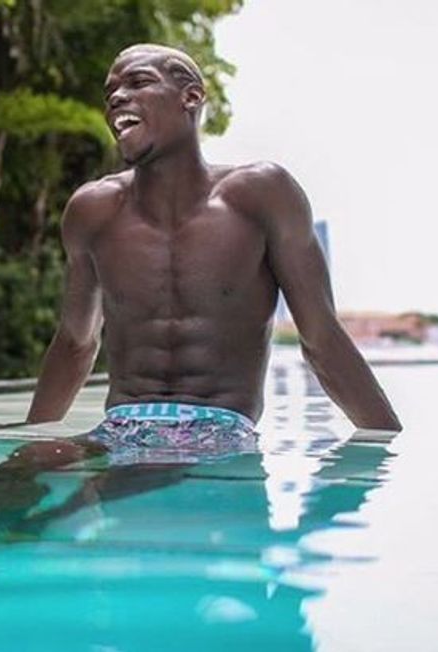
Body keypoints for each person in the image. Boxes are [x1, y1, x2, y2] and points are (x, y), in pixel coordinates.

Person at [20, 43, 400, 466]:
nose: (116, 97)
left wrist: (390, 448)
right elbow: (76, 341)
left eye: (138, 82)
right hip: (118, 431)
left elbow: (321, 337)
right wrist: (27, 450)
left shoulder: (262, 194)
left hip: (221, 435)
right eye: (111, 89)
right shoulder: (92, 210)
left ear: (191, 97)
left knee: (139, 485)